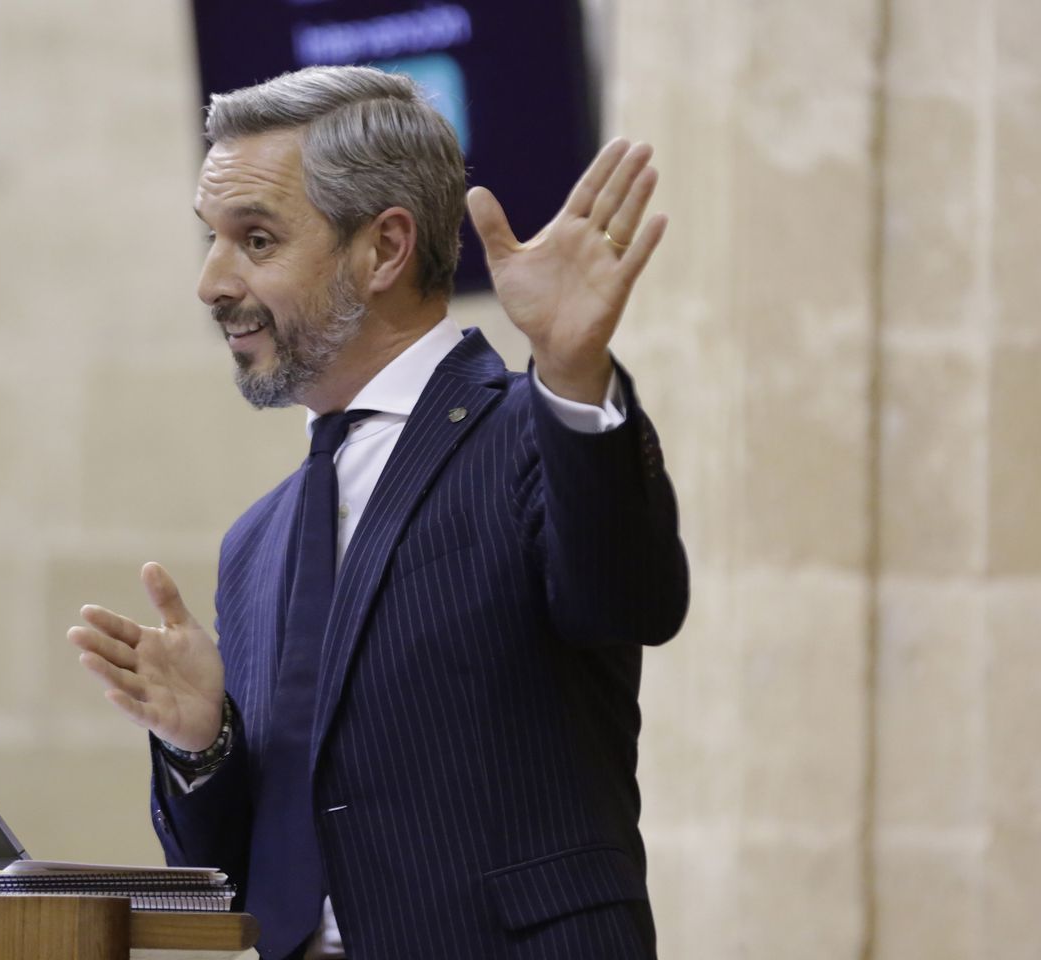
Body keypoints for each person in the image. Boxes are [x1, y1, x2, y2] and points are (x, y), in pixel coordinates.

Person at [68, 65, 688, 960]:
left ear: (384, 250)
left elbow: (630, 600)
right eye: (211, 238)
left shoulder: (533, 431)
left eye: (255, 239)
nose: (211, 282)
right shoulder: (256, 543)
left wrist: (573, 374)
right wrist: (206, 743)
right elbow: (243, 881)